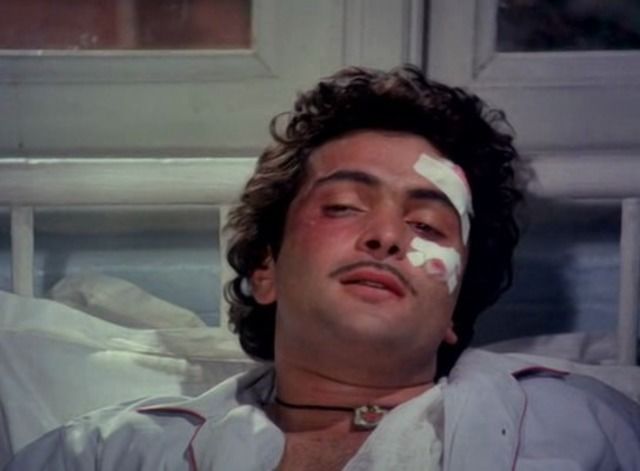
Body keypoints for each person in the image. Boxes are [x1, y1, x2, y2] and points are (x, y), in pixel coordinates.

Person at [6, 66, 640, 470]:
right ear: (266, 268)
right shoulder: (107, 454)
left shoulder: (584, 429)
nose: (387, 236)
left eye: (427, 226)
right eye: (343, 207)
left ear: (454, 310)